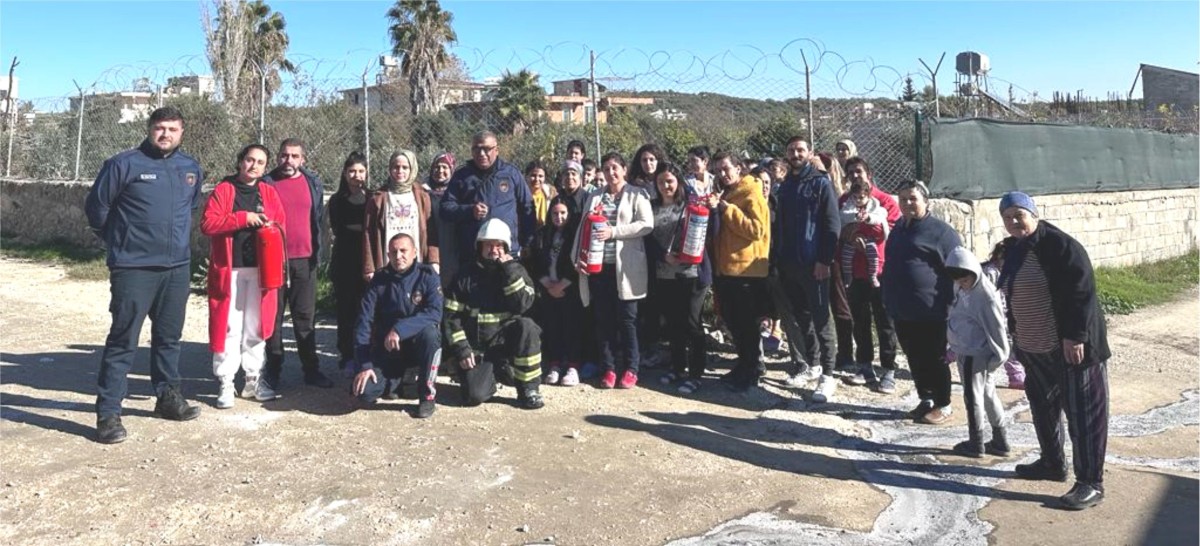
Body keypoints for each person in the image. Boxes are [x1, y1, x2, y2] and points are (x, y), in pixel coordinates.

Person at [85, 106, 204, 444]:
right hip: (133, 268)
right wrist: (119, 242)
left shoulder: (190, 168)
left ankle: (167, 398)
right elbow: (97, 210)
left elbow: (189, 208)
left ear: (182, 132)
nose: (166, 134)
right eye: (160, 128)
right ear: (149, 129)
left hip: (176, 268)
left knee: (169, 338)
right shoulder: (123, 164)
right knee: (123, 340)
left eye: (173, 129)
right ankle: (108, 413)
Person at [996, 191, 1111, 510]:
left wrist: (1075, 336)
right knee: (1043, 409)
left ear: (1034, 213)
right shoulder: (1015, 248)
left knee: (1084, 416)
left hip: (1071, 349)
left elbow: (1082, 292)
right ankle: (1052, 463)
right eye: (1007, 217)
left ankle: (1090, 483)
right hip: (1034, 348)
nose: (1014, 221)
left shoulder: (1061, 246)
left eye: (1019, 214)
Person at [201, 144, 287, 409]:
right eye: (250, 160)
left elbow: (281, 225)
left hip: (261, 271)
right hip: (231, 270)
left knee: (256, 326)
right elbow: (208, 223)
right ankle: (226, 381)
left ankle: (252, 379)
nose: (254, 166)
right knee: (229, 326)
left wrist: (269, 227)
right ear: (240, 162)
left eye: (260, 162)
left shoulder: (268, 192)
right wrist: (242, 218)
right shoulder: (224, 190)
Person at [881, 179, 962, 424]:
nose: (907, 203)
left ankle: (943, 403)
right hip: (903, 309)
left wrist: (954, 305)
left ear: (925, 202)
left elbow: (958, 267)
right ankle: (925, 399)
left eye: (912, 199)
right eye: (903, 199)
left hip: (932, 311)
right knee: (914, 357)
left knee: (934, 357)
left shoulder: (941, 232)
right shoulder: (898, 228)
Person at [572, 152, 653, 389]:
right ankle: (608, 369)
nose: (611, 173)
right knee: (603, 321)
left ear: (625, 170)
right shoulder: (595, 196)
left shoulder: (638, 194)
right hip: (599, 268)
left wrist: (614, 232)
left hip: (626, 269)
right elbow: (583, 228)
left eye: (615, 168)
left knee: (627, 321)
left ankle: (631, 369)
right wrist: (579, 257)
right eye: (606, 169)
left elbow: (646, 224)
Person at [444, 219, 545, 409]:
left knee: (528, 326)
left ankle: (529, 389)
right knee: (474, 396)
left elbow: (523, 304)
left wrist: (509, 271)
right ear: (479, 246)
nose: (494, 249)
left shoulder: (516, 270)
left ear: (506, 248)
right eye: (489, 244)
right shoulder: (464, 276)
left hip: (507, 346)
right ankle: (489, 375)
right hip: (479, 349)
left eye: (499, 245)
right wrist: (462, 350)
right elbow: (451, 318)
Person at [262, 138, 333, 393]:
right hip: (273, 261)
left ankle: (311, 369)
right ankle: (272, 370)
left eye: (294, 156)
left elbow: (316, 220)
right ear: (277, 157)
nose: (288, 161)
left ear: (303, 159)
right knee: (274, 317)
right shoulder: (266, 183)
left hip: (305, 260)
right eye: (284, 155)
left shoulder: (312, 182)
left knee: (305, 317)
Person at [775, 138, 841, 403]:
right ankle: (813, 365)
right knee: (802, 317)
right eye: (791, 150)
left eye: (800, 150)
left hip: (814, 265)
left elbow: (832, 225)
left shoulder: (821, 184)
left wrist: (824, 260)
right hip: (789, 264)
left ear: (809, 153)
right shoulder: (786, 186)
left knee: (822, 318)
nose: (795, 154)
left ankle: (828, 374)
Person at [351, 233, 443, 418]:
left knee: (431, 335)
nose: (398, 256)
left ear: (415, 252)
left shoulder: (427, 276)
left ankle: (427, 396)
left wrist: (400, 330)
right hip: (389, 352)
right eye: (393, 252)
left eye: (403, 251)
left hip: (417, 347)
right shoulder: (379, 281)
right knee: (364, 393)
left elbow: (435, 313)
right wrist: (365, 364)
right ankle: (399, 381)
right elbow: (364, 323)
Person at [708, 152, 771, 392]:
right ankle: (743, 365)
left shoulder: (751, 192)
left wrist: (727, 210)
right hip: (726, 268)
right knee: (734, 322)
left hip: (747, 269)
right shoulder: (727, 192)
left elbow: (756, 229)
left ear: (738, 168)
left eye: (726, 169)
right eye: (718, 170)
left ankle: (752, 369)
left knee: (747, 325)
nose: (723, 174)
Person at [648, 163, 713, 395]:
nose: (666, 186)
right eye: (661, 182)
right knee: (673, 323)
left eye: (670, 181)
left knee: (691, 323)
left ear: (678, 183)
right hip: (664, 274)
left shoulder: (690, 206)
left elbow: (707, 231)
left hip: (691, 274)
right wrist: (663, 256)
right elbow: (647, 239)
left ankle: (696, 374)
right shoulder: (651, 207)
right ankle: (677, 367)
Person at [838, 157, 901, 392]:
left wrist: (870, 234)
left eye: (859, 172)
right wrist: (850, 237)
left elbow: (891, 228)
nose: (855, 176)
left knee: (885, 321)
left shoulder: (884, 201)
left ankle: (889, 369)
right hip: (855, 272)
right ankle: (864, 365)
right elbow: (838, 227)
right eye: (851, 172)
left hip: (881, 270)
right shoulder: (844, 200)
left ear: (869, 174)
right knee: (860, 321)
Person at [944, 246, 1012, 459]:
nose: (962, 284)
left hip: (977, 353)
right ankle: (1000, 441)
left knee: (973, 397)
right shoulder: (961, 288)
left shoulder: (985, 296)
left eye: (965, 280)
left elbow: (998, 328)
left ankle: (976, 442)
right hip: (967, 350)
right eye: (958, 281)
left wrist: (998, 357)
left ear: (973, 271)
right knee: (987, 394)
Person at [440, 131, 535, 265]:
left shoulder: (511, 173)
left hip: (507, 253)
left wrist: (528, 243)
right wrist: (469, 211)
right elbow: (445, 208)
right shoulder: (461, 176)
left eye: (486, 149)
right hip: (473, 255)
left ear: (496, 150)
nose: (481, 154)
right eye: (477, 149)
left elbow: (527, 207)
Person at [363, 149, 440, 277]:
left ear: (412, 169)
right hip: (388, 263)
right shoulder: (378, 198)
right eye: (396, 167)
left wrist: (434, 260)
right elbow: (368, 233)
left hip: (417, 263)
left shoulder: (423, 196)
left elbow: (431, 231)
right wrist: (369, 268)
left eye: (405, 167)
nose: (400, 171)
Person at [531, 198, 583, 387]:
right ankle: (554, 364)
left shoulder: (574, 235)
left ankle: (573, 366)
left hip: (569, 288)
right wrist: (547, 284)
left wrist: (563, 284)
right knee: (553, 327)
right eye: (555, 213)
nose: (559, 217)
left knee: (571, 327)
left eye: (563, 213)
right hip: (548, 288)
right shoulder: (543, 234)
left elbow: (577, 261)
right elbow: (536, 261)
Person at [326, 152, 370, 373]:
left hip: (368, 262)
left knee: (367, 310)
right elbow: (337, 229)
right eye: (352, 171)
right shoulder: (336, 200)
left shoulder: (373, 198)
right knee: (346, 312)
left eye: (361, 171)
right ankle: (346, 355)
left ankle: (366, 354)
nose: (356, 175)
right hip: (344, 262)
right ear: (345, 173)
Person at [981, 240, 1026, 389]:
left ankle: (1016, 377)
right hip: (991, 315)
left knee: (1009, 344)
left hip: (1006, 315)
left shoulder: (1010, 272)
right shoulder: (990, 272)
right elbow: (987, 297)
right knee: (975, 342)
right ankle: (944, 358)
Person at [425, 152, 459, 289]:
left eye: (445, 167)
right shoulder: (424, 192)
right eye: (437, 167)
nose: (440, 171)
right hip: (431, 244)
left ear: (451, 170)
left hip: (453, 244)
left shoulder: (457, 191)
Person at [526, 159, 557, 229]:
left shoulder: (551, 194)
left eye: (540, 176)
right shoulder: (521, 195)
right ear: (526, 176)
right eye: (533, 175)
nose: (537, 179)